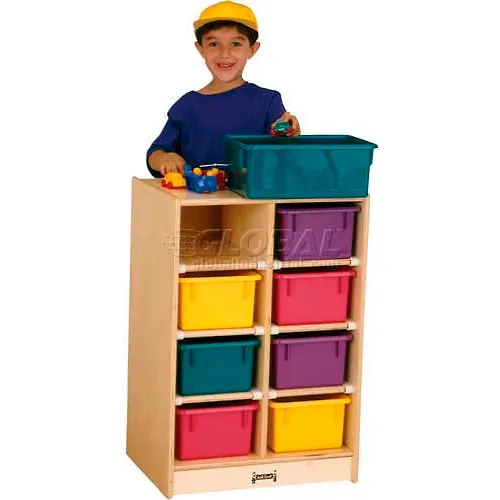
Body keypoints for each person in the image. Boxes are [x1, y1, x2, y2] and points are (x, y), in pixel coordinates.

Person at [146, 1, 301, 178]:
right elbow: (155, 153)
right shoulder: (187, 105)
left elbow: (284, 152)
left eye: (235, 44)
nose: (224, 54)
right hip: (197, 195)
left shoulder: (267, 101)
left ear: (252, 49)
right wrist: (165, 158)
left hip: (253, 194)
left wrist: (289, 132)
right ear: (200, 48)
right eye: (214, 44)